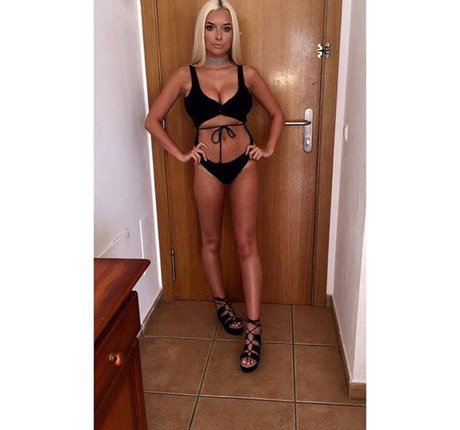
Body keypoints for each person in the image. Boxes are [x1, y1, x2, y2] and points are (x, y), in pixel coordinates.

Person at [145, 0, 284, 373]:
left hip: (244, 165)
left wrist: (267, 148)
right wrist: (181, 154)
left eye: (226, 28)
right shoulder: (185, 75)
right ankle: (222, 304)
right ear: (201, 32)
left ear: (234, 32)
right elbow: (152, 120)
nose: (218, 36)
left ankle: (253, 329)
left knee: (246, 243)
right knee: (210, 241)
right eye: (211, 27)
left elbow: (277, 114)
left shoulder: (247, 74)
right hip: (206, 167)